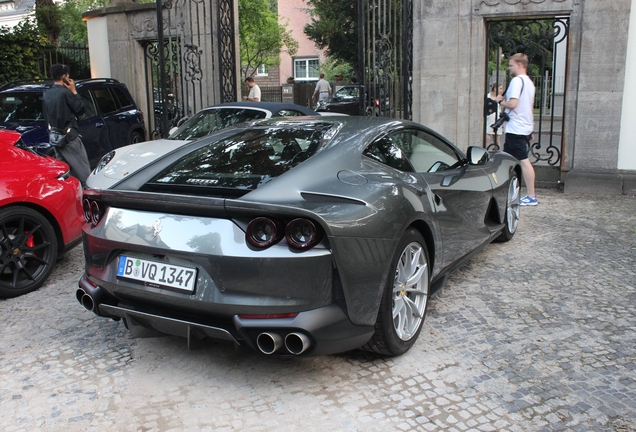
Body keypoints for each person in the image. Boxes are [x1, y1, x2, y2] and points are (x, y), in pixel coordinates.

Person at [496, 53, 537, 206]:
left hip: (516, 128)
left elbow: (513, 104)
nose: (509, 68)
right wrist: (531, 129)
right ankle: (510, 191)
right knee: (511, 160)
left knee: (523, 161)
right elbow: (528, 108)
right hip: (523, 127)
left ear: (520, 64)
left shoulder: (517, 81)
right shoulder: (529, 83)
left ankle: (531, 196)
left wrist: (501, 101)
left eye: (511, 65)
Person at [42, 64, 91, 186]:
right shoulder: (66, 93)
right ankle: (90, 198)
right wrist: (74, 91)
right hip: (70, 137)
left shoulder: (47, 94)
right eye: (68, 75)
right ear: (64, 76)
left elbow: (47, 116)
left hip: (55, 138)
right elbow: (80, 109)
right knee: (84, 172)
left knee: (66, 173)